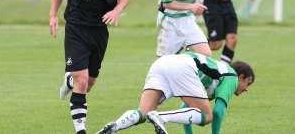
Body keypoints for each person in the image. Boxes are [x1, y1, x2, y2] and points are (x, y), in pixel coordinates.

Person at [49, 0, 130, 134]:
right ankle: (80, 130)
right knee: (82, 81)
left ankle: (70, 78)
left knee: (89, 82)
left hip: (99, 31)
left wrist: (117, 11)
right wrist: (52, 16)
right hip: (76, 29)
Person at [96, 51, 255, 134]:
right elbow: (218, 112)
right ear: (241, 77)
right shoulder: (231, 77)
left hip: (163, 63)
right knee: (207, 116)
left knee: (144, 112)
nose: (246, 89)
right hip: (183, 66)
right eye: (248, 83)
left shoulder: (213, 78)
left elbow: (185, 108)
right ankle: (160, 117)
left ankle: (115, 126)